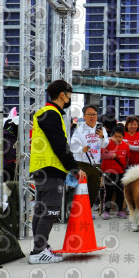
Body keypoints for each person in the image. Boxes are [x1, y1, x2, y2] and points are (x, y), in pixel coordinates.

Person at [28, 79, 86, 264]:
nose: (69, 99)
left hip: (42, 167)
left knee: (41, 209)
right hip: (50, 168)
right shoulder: (51, 114)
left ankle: (41, 248)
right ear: (62, 95)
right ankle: (38, 252)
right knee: (51, 210)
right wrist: (74, 167)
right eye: (69, 95)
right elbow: (60, 144)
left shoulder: (45, 112)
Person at [70, 105, 107, 216]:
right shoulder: (79, 130)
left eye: (94, 114)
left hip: (96, 164)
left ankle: (87, 211)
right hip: (82, 163)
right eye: (89, 114)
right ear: (84, 116)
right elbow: (73, 146)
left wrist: (101, 137)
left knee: (93, 189)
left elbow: (104, 145)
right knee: (81, 189)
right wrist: (82, 149)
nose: (92, 117)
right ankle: (77, 211)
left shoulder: (101, 129)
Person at [101, 124, 130, 219]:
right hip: (108, 171)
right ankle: (106, 211)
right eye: (115, 136)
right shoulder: (106, 143)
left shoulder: (125, 146)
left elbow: (127, 158)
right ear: (112, 135)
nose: (118, 138)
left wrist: (124, 168)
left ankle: (120, 210)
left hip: (120, 171)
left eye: (120, 137)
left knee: (120, 191)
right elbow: (101, 155)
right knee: (108, 191)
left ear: (123, 137)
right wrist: (111, 155)